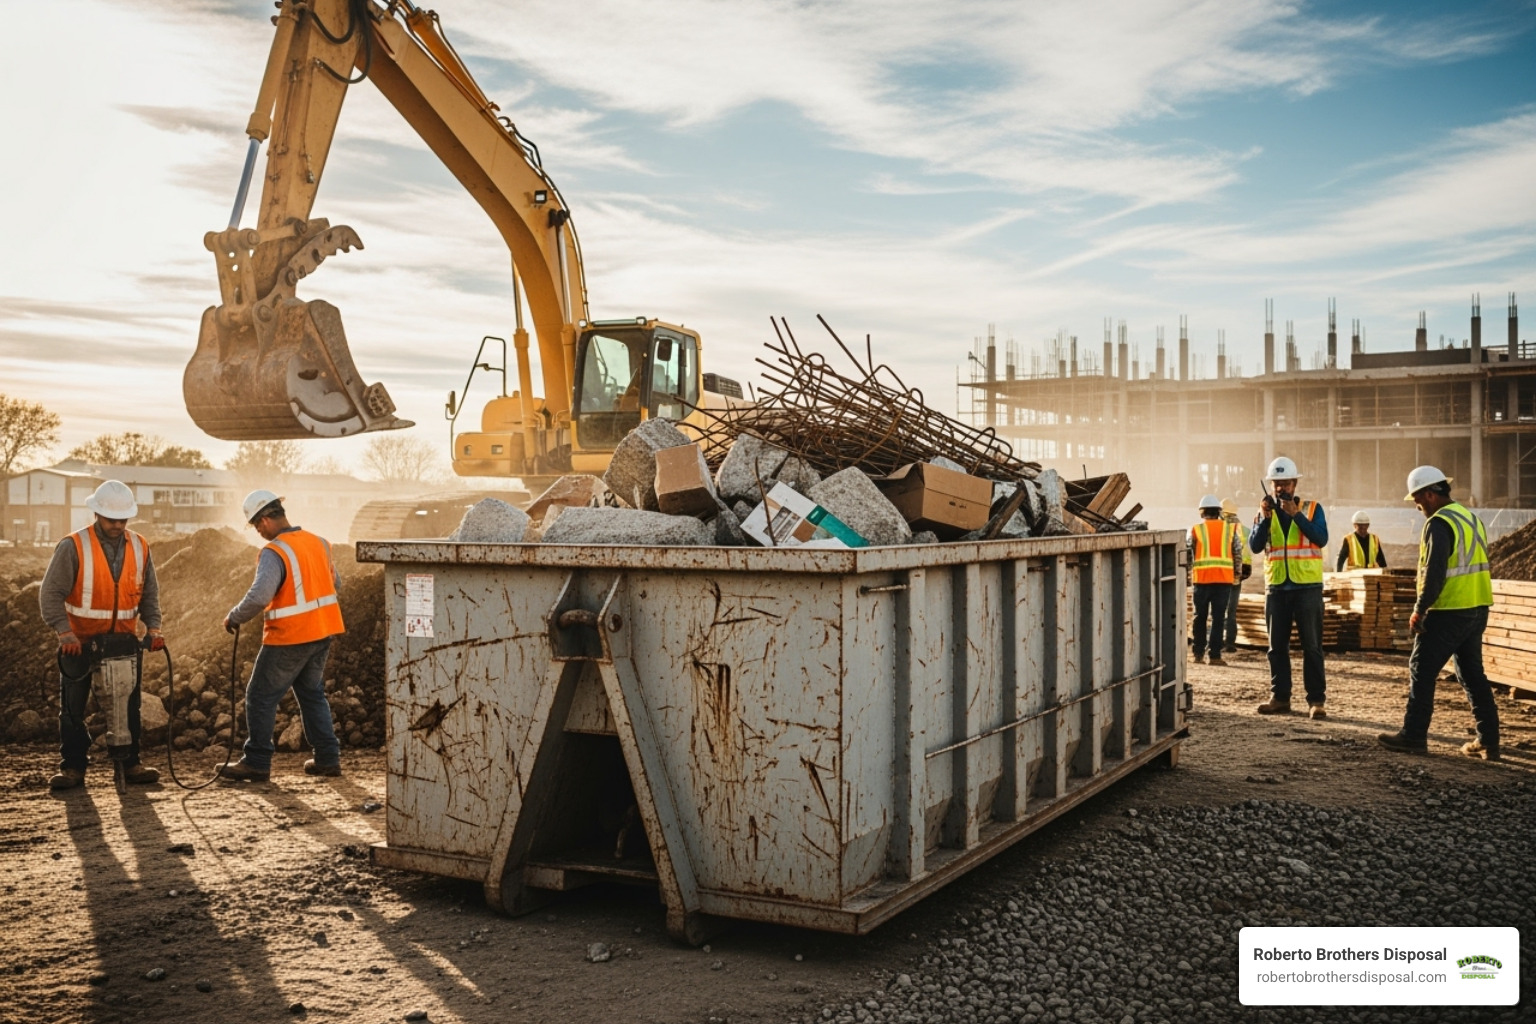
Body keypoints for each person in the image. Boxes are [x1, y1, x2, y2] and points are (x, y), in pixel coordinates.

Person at [38, 480, 164, 790]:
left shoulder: (140, 546)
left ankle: (130, 763)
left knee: (128, 707)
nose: (118, 525)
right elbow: (50, 594)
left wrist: (154, 627)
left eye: (123, 520)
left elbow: (149, 592)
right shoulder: (73, 546)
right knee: (72, 710)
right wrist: (64, 632)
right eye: (112, 520)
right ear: (97, 514)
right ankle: (73, 768)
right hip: (79, 644)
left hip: (123, 643)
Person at [217, 490, 345, 782]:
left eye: (256, 525)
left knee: (260, 696)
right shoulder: (320, 543)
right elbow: (335, 582)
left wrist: (234, 616)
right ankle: (328, 758)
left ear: (264, 519)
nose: (258, 531)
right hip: (322, 633)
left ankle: (257, 761)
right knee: (312, 694)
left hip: (290, 637)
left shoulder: (275, 551)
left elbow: (260, 595)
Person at [1378, 467, 1499, 760]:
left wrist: (1419, 609)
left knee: (1422, 668)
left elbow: (1435, 573)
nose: (1417, 506)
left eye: (1417, 499)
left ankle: (1414, 736)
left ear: (1430, 494)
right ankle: (1489, 741)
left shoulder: (1438, 523)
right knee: (1471, 674)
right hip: (1477, 606)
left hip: (1449, 609)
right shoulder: (1470, 517)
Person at [1249, 456, 1329, 719]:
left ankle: (1316, 701)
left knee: (1312, 646)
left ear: (1295, 484)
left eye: (1286, 483)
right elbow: (1255, 546)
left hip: (1307, 587)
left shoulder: (1312, 508)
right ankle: (1280, 697)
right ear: (1270, 486)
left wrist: (1297, 516)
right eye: (1276, 484)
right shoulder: (1264, 512)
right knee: (1276, 647)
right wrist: (1263, 517)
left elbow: (1321, 538)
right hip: (1277, 588)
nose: (1281, 489)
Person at [1189, 495, 1239, 665]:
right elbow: (1237, 553)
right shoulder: (1229, 529)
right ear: (1219, 511)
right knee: (1218, 618)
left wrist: (1188, 575)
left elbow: (1189, 554)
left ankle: (1198, 654)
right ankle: (1215, 656)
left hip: (1201, 581)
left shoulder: (1195, 530)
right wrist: (1237, 575)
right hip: (1223, 580)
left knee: (1199, 617)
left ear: (1201, 512)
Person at [1220, 498, 1252, 652]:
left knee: (1219, 609)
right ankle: (1230, 644)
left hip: (1224, 570)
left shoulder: (1222, 528)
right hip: (1240, 571)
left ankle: (1217, 642)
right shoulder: (1245, 529)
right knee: (1231, 610)